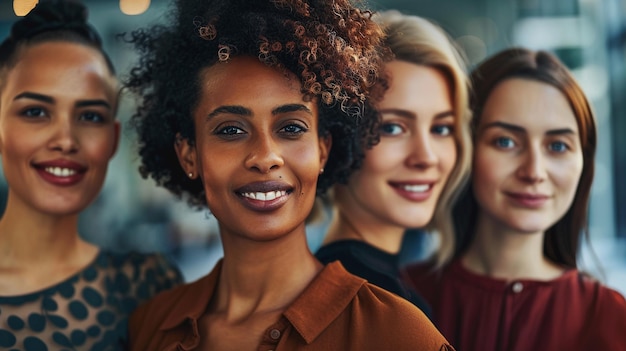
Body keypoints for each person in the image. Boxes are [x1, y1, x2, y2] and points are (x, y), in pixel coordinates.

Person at [123, 0, 455, 350]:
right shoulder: (151, 326)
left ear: (324, 149)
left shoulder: (398, 333)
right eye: (231, 130)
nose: (265, 157)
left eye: (291, 127)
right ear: (189, 154)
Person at [404, 47, 626, 351]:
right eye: (505, 141)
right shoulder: (400, 298)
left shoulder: (610, 318)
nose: (534, 171)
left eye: (558, 146)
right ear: (465, 148)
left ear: (584, 164)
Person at [0, 1, 183, 350]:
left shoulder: (148, 285)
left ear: (112, 139)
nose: (66, 140)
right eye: (36, 111)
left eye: (90, 116)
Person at [315, 10, 472, 315]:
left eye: (441, 129)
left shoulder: (370, 288)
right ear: (338, 136)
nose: (426, 157)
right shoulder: (370, 307)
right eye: (393, 127)